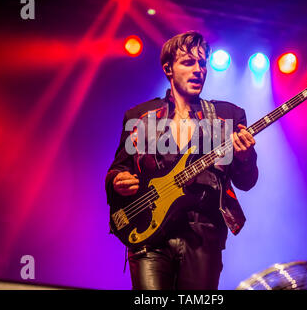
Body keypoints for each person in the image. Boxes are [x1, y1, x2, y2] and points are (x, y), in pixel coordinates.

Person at [105, 31, 258, 290]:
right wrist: (117, 180)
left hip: (203, 235)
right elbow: (118, 168)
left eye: (202, 63)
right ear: (168, 69)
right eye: (188, 63)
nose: (198, 70)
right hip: (148, 233)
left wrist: (245, 158)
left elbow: (246, 182)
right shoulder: (141, 116)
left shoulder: (227, 116)